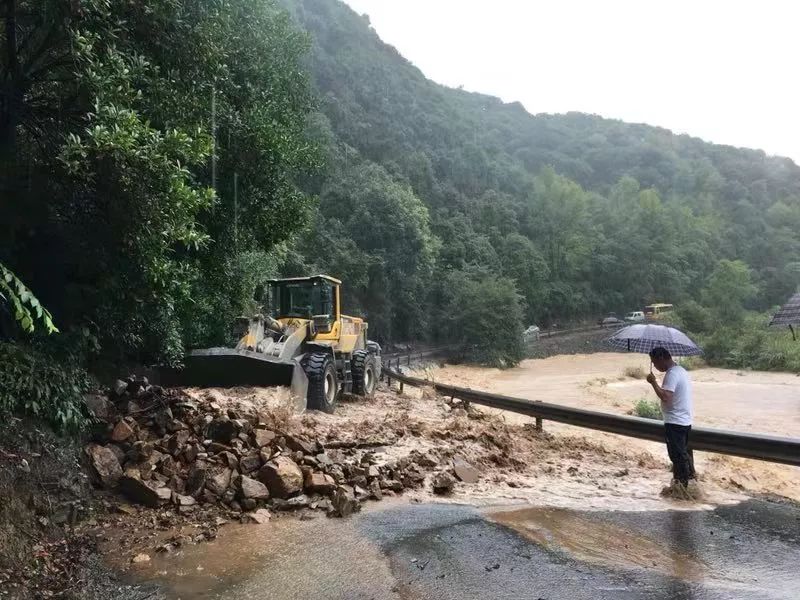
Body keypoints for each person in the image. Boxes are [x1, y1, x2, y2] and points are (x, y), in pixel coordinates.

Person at [646, 347, 695, 486]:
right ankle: (690, 484)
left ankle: (682, 489)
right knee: (682, 455)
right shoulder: (682, 371)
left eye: (654, 362)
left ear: (661, 358)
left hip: (675, 422)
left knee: (677, 457)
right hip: (685, 421)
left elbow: (666, 396)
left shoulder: (672, 374)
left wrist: (653, 382)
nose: (654, 366)